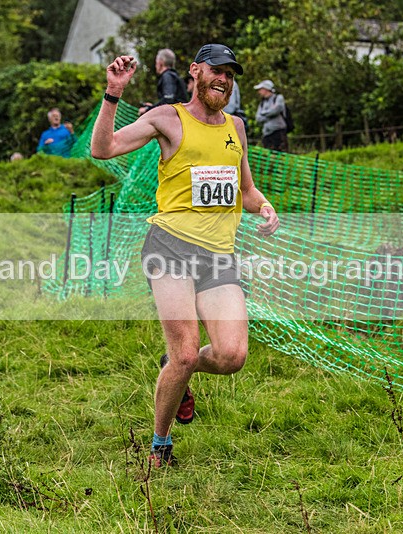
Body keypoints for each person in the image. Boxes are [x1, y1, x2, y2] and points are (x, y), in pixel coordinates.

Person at [91, 44, 280, 468]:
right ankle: (160, 444)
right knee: (186, 353)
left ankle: (177, 370)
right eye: (218, 71)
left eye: (231, 75)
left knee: (232, 356)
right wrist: (113, 94)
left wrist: (264, 207)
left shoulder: (237, 128)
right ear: (195, 71)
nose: (225, 80)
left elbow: (246, 191)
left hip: (218, 255)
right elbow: (103, 149)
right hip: (170, 248)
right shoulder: (166, 118)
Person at [138, 48, 189, 116]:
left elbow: (168, 100)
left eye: (156, 62)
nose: (156, 65)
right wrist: (152, 106)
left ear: (161, 62)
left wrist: (148, 109)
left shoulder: (167, 76)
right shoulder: (174, 76)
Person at [254, 80, 288, 152]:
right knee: (268, 156)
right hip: (266, 134)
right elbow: (258, 118)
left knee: (280, 155)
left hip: (278, 132)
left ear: (266, 89)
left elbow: (277, 109)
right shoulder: (262, 103)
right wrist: (269, 113)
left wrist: (264, 113)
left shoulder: (278, 98)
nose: (259, 92)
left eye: (261, 89)